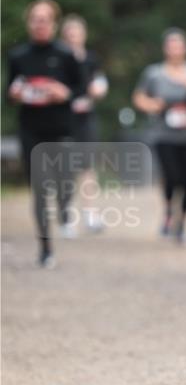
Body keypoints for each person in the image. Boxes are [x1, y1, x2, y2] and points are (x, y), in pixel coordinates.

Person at [6, 0, 83, 268]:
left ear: (53, 23)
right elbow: (9, 94)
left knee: (64, 183)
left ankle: (64, 206)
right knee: (39, 190)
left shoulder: (65, 54)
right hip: (31, 130)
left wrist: (64, 93)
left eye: (45, 19)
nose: (40, 24)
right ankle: (45, 247)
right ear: (29, 23)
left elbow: (80, 90)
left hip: (60, 129)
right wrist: (14, 94)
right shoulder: (18, 56)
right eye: (35, 19)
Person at [132, 29, 186, 244]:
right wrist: (153, 105)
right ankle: (168, 213)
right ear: (165, 49)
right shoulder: (154, 73)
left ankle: (182, 223)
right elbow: (139, 97)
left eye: (179, 45)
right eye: (171, 45)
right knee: (172, 178)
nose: (175, 49)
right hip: (164, 135)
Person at [60, 14, 109, 233]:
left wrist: (99, 89)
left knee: (88, 166)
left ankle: (90, 214)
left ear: (83, 35)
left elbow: (99, 80)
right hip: (64, 119)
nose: (73, 36)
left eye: (77, 32)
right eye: (69, 33)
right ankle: (67, 215)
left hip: (86, 118)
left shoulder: (90, 58)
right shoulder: (59, 58)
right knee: (66, 167)